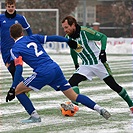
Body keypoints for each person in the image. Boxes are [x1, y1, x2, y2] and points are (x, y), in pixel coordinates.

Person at [6, 23, 111, 123]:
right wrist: (68, 41)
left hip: (42, 72)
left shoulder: (15, 49)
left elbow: (19, 69)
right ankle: (99, 108)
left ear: (11, 36)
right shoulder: (33, 37)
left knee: (18, 91)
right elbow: (54, 37)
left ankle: (34, 116)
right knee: (74, 96)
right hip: (55, 68)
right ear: (22, 33)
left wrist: (13, 88)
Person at [61, 15, 133, 114]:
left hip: (99, 63)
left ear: (73, 25)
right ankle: (74, 106)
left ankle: (131, 104)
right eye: (63, 28)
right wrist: (76, 64)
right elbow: (73, 51)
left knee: (114, 86)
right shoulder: (68, 38)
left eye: (66, 27)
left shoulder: (85, 32)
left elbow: (103, 37)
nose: (65, 30)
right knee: (72, 83)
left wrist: (103, 51)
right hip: (86, 65)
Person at [0, 0, 32, 97]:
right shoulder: (1, 18)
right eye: (9, 6)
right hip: (5, 50)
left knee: (15, 69)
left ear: (15, 7)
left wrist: (31, 40)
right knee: (12, 70)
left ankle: (22, 89)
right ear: (6, 7)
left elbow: (28, 30)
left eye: (12, 6)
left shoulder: (20, 18)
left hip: (17, 48)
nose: (10, 8)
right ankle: (24, 86)